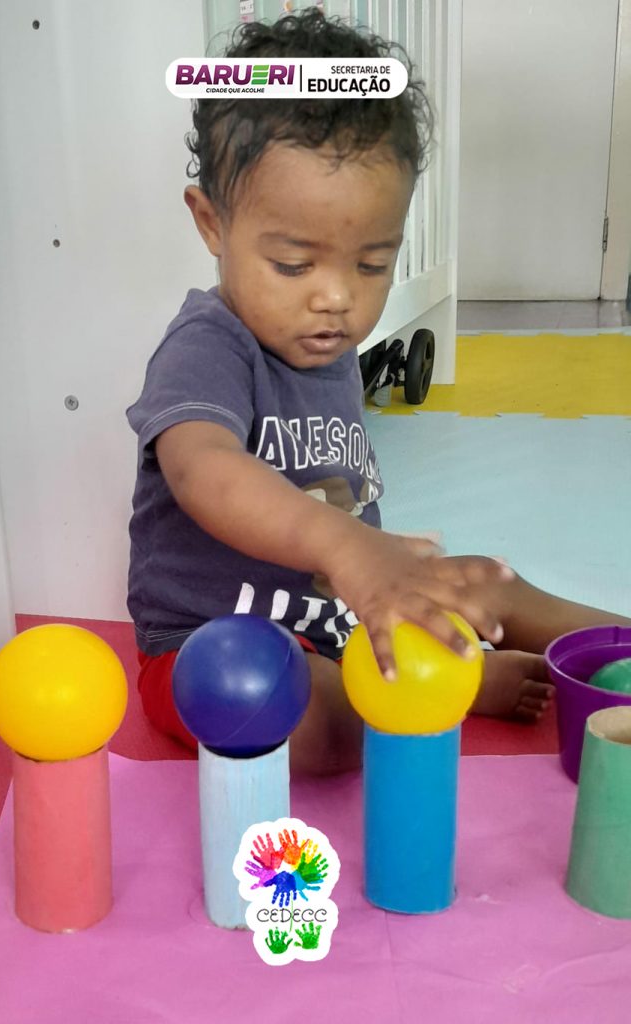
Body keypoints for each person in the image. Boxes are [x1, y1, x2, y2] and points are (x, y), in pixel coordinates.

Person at [126, 9, 628, 775]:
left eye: (371, 265)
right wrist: (347, 549)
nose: (337, 299)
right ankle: (454, 686)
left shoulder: (325, 344)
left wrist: (381, 573)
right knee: (302, 723)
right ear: (211, 223)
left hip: (344, 622)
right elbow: (203, 470)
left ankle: (612, 642)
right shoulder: (208, 345)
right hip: (213, 647)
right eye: (294, 265)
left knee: (488, 582)